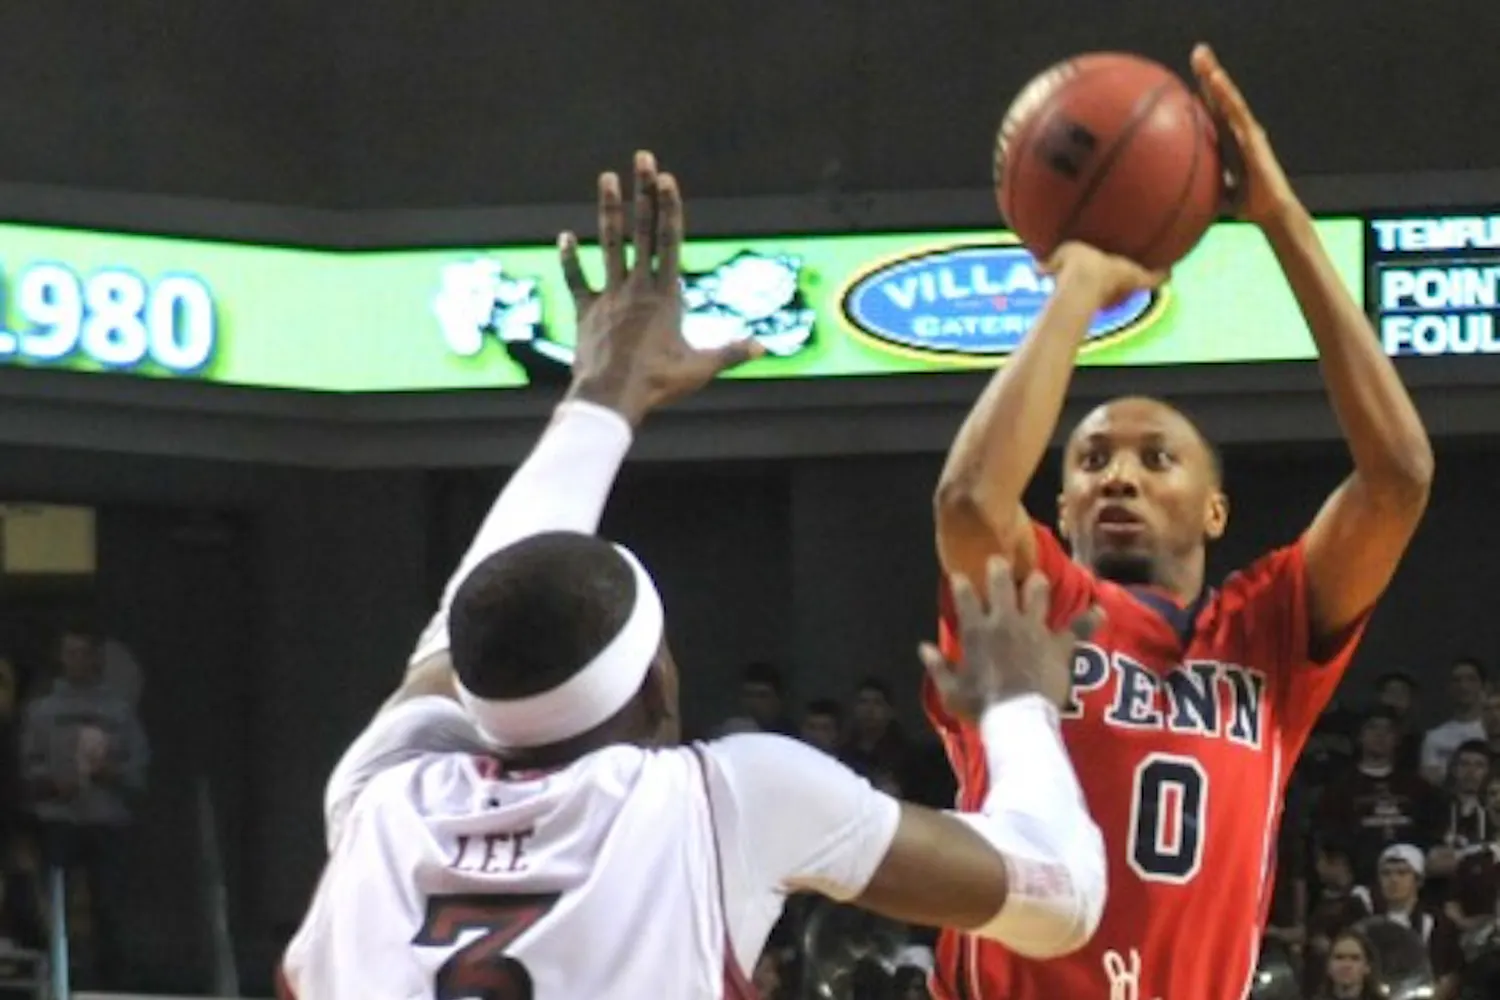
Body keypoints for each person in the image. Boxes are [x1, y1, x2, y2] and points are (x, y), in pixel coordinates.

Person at [277, 152, 1109, 999]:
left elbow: (472, 621)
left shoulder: (383, 795)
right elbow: (1062, 894)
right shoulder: (726, 802)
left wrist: (602, 396)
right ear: (654, 693)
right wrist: (1019, 706)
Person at [925, 44, 1433, 1000]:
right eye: (1090, 460)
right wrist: (1075, 287)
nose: (1118, 474)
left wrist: (1281, 218)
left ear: (1215, 508)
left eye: (1156, 459)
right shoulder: (1029, 603)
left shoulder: (1268, 629)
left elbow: (1399, 476)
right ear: (1063, 502)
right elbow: (967, 502)